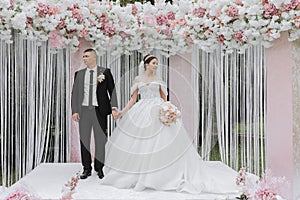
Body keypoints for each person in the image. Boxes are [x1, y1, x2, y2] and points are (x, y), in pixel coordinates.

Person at [100, 54, 250, 195]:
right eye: (153, 63)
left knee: (165, 141)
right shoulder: (138, 80)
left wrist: (169, 110)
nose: (156, 66)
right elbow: (133, 99)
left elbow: (164, 98)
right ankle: (140, 174)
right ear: (146, 65)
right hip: (142, 109)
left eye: (157, 64)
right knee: (140, 143)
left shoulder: (159, 80)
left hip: (158, 109)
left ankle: (164, 174)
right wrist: (122, 112)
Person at [71, 48, 118, 180]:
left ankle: (100, 167)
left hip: (100, 111)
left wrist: (114, 107)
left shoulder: (105, 72)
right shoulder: (79, 74)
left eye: (86, 56)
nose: (84, 58)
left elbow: (112, 91)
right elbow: (75, 94)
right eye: (83, 56)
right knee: (84, 140)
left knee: (100, 140)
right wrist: (75, 110)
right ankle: (86, 168)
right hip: (84, 111)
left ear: (94, 57)